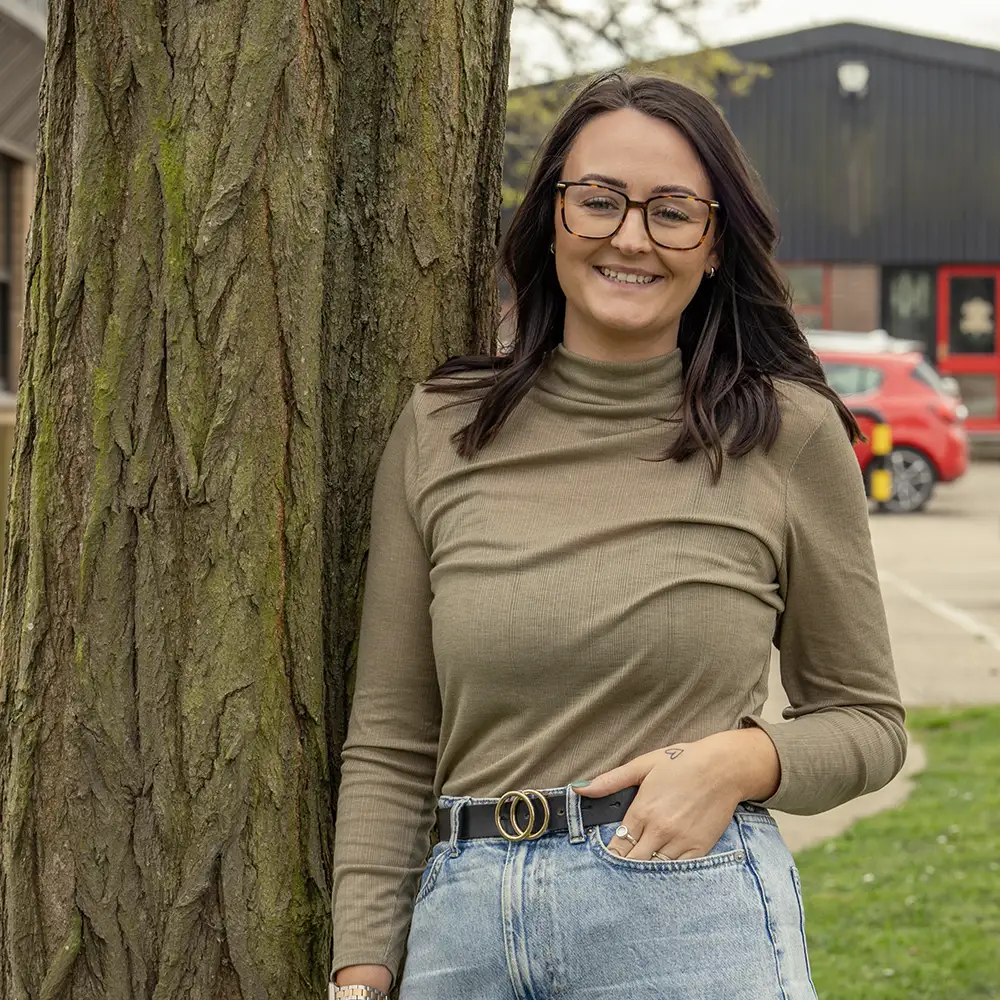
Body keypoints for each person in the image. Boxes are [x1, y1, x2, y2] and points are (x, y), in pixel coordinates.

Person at [329, 72, 906, 1000]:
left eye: (673, 212)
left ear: (715, 246)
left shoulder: (784, 433)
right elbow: (394, 735)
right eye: (599, 200)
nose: (630, 236)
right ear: (553, 215)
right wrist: (361, 969)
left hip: (686, 916)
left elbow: (868, 722)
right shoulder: (443, 426)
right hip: (461, 932)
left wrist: (741, 760)